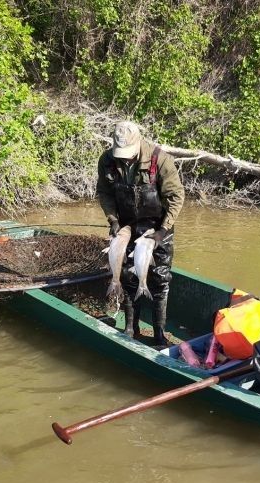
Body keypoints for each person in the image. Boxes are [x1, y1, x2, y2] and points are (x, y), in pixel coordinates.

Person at [96, 121, 185, 346]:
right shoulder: (106, 161)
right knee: (126, 276)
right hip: (126, 225)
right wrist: (113, 220)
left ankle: (159, 334)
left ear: (138, 144)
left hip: (157, 226)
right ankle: (130, 327)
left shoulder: (161, 160)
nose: (124, 159)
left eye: (128, 155)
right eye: (120, 154)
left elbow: (176, 197)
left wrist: (163, 230)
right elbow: (104, 194)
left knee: (160, 279)